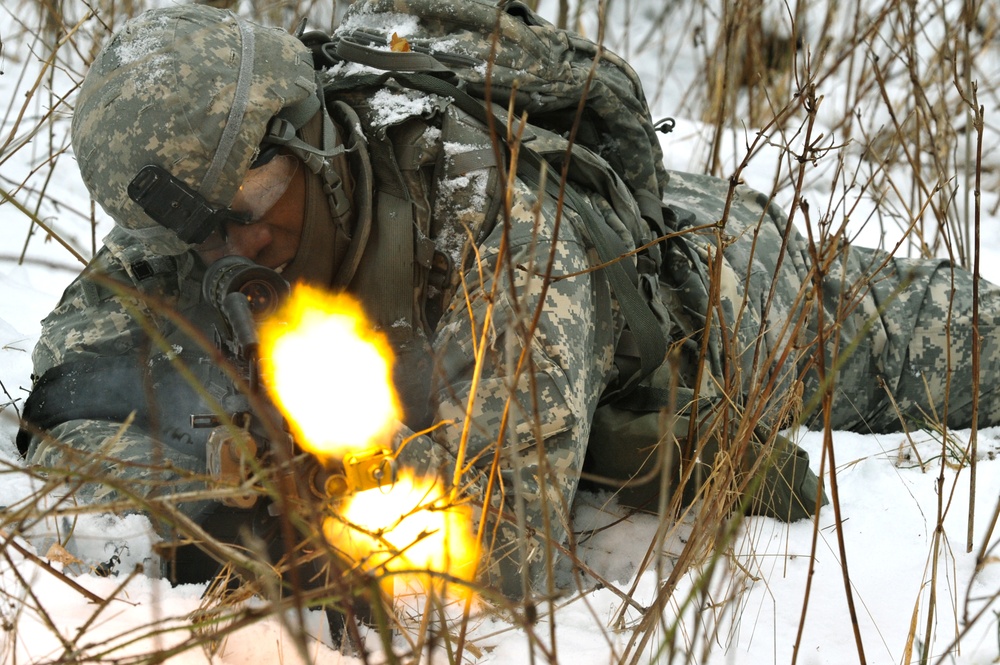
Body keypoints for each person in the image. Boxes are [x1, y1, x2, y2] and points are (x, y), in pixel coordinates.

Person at [16, 3, 1000, 603]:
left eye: (254, 213)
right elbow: (67, 398)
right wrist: (195, 499)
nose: (235, 253)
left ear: (304, 136)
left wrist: (290, 503)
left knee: (977, 347)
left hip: (738, 291)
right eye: (201, 237)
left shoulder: (489, 233)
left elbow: (502, 540)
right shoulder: (212, 213)